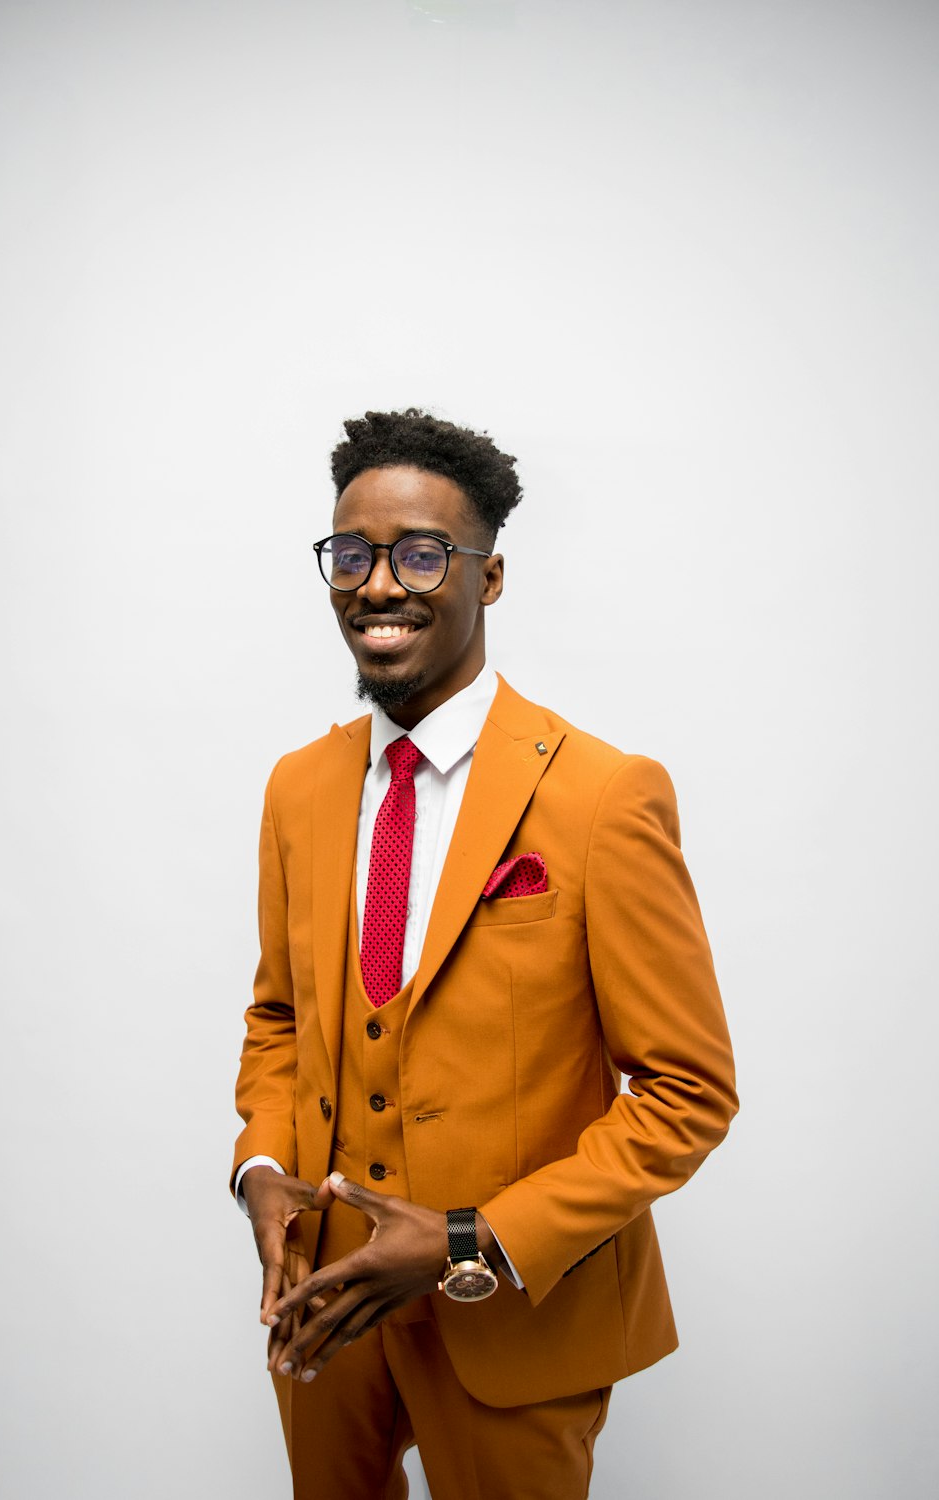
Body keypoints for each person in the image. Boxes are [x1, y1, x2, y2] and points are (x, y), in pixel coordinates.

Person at [231, 409, 737, 1500]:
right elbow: (279, 1018)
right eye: (351, 553)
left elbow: (688, 1092)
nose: (377, 585)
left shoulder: (602, 796)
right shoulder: (296, 788)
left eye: (421, 553)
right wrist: (263, 1171)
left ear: (488, 576)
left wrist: (472, 1240)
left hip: (512, 1322)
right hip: (326, 1316)